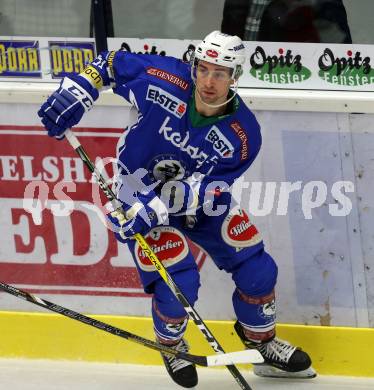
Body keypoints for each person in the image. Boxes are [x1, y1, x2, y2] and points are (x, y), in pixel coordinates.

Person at [38, 31, 315, 388]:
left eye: (220, 73)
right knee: (179, 282)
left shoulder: (244, 133)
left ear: (235, 77)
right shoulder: (163, 76)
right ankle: (170, 344)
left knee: (257, 269)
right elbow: (107, 63)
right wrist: (77, 91)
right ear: (193, 65)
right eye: (203, 69)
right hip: (136, 190)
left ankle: (262, 345)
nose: (209, 81)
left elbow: (209, 187)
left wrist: (162, 204)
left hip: (197, 200)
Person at [221, 0, 352, 43]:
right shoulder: (240, 4)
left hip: (315, 84)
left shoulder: (324, 5)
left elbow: (344, 56)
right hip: (253, 85)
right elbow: (226, 54)